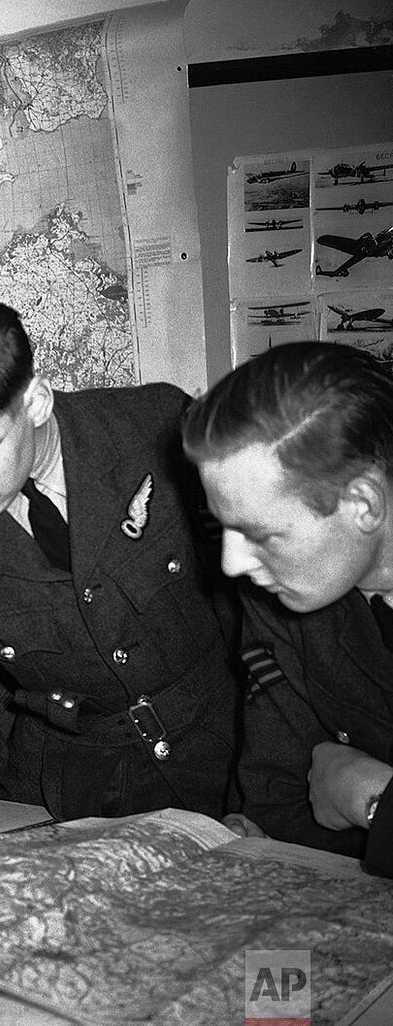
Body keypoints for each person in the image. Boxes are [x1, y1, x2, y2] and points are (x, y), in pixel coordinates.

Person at [0, 294, 239, 820]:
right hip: (82, 794)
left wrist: (272, 790)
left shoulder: (158, 431)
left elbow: (265, 620)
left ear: (36, 401)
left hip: (231, 753)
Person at [182, 342, 393, 876]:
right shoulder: (284, 593)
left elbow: (338, 799)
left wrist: (373, 800)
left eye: (260, 533)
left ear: (363, 503)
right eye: (223, 527)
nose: (231, 565)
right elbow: (279, 799)